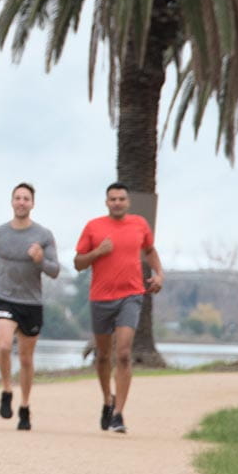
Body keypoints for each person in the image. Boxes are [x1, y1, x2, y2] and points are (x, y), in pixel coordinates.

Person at [74, 181, 164, 434]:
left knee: (123, 353)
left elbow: (150, 250)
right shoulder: (94, 227)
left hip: (131, 296)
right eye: (112, 199)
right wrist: (97, 252)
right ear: (106, 202)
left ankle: (118, 414)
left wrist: (159, 274)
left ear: (128, 201)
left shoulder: (139, 225)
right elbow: (78, 263)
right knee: (103, 356)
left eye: (121, 199)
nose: (117, 203)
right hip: (101, 298)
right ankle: (107, 400)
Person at [0, 182, 62, 430]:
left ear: (32, 203)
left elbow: (55, 271)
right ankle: (5, 389)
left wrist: (40, 259)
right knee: (3, 346)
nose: (21, 202)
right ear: (12, 202)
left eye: (26, 198)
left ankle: (24, 406)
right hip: (3, 296)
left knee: (25, 359)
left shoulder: (43, 235)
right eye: (17, 198)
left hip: (31, 302)